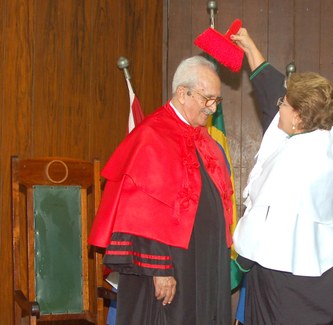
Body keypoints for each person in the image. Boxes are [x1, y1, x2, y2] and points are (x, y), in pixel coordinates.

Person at [88, 56, 234, 325]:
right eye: (207, 99)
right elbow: (139, 212)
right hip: (171, 268)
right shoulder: (152, 136)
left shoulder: (204, 140)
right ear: (183, 93)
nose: (212, 108)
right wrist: (159, 268)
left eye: (217, 100)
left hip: (203, 264)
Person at [230, 28, 333, 324]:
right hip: (326, 278)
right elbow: (273, 93)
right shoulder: (326, 138)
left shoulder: (292, 164)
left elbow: (260, 223)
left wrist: (238, 262)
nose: (279, 107)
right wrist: (250, 47)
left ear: (299, 117)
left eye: (284, 105)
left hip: (286, 285)